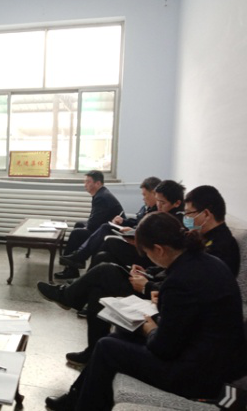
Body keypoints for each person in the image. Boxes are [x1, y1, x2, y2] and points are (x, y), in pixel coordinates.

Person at [45, 212, 247, 411]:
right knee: (121, 333)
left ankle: (80, 404)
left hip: (198, 376)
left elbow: (163, 348)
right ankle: (75, 399)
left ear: (159, 250)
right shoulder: (207, 262)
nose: (148, 258)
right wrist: (162, 308)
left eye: (147, 253)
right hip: (211, 358)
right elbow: (190, 317)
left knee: (107, 347)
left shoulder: (180, 280)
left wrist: (150, 328)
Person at [38, 184, 238, 366]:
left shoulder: (221, 248)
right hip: (159, 289)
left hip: (165, 301)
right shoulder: (204, 238)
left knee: (105, 270)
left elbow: (189, 287)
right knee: (99, 286)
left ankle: (68, 296)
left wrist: (147, 286)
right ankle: (90, 346)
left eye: (189, 213)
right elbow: (176, 268)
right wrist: (148, 272)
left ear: (206, 214)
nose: (185, 218)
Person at [57, 176, 160, 270]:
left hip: (137, 243)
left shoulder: (157, 213)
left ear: (154, 193)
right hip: (127, 233)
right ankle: (76, 262)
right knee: (81, 226)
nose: (143, 198)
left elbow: (148, 233)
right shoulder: (147, 207)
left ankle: (78, 257)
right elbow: (137, 221)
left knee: (101, 230)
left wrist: (133, 231)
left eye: (145, 195)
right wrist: (123, 221)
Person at [55, 170, 124, 280]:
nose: (85, 184)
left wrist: (87, 227)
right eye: (85, 181)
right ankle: (73, 267)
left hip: (110, 232)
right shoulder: (101, 193)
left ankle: (73, 262)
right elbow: (96, 219)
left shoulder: (101, 197)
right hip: (104, 226)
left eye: (88, 182)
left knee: (76, 233)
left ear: (98, 183)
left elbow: (93, 224)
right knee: (79, 224)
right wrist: (86, 226)